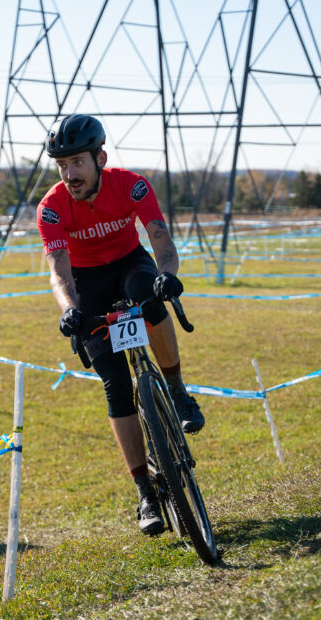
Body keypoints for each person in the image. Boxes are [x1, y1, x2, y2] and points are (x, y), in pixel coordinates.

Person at [36, 114, 204, 536]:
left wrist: (168, 274)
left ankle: (178, 393)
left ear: (100, 159)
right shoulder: (51, 208)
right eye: (62, 166)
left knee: (151, 298)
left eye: (77, 162)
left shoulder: (131, 185)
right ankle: (145, 490)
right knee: (115, 383)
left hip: (131, 264)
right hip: (87, 284)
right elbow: (59, 271)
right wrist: (68, 309)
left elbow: (160, 238)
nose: (69, 174)